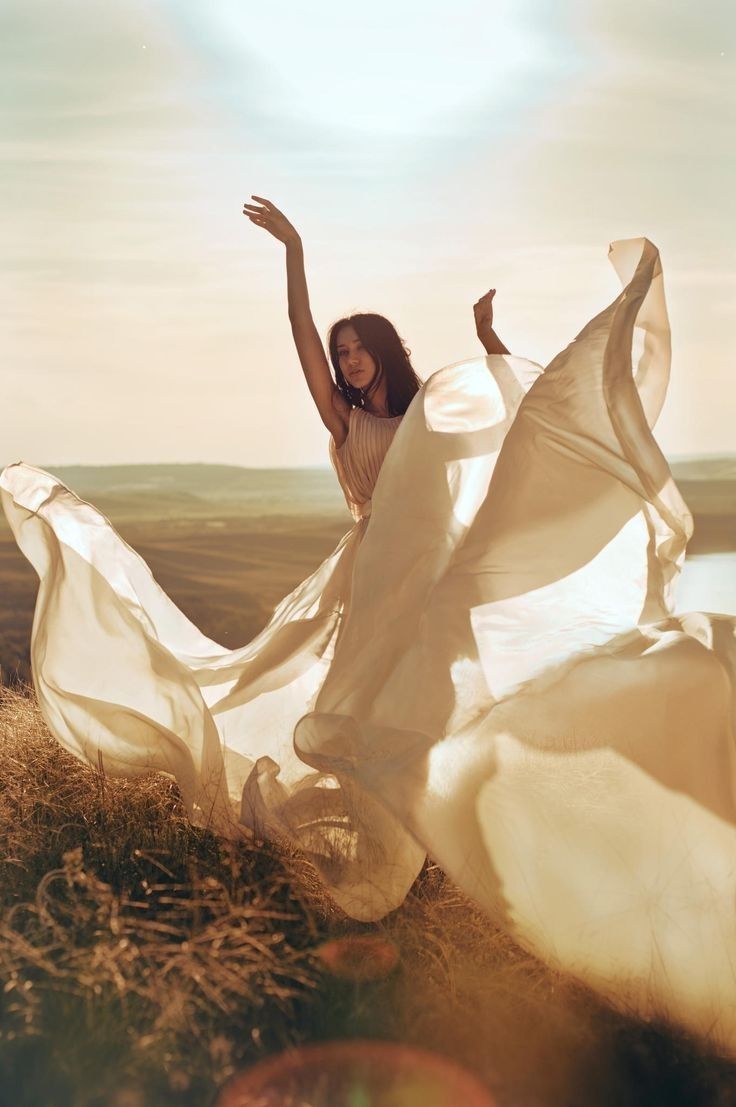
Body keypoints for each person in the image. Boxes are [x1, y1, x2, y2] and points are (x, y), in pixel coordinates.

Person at [2, 203, 735, 1053]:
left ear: (383, 351)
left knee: (441, 708)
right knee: (356, 713)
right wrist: (296, 253)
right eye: (341, 353)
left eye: (357, 350)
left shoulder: (431, 413)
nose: (346, 362)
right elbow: (297, 333)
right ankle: (399, 849)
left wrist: (493, 341)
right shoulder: (345, 423)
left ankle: (479, 836)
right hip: (364, 584)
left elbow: (518, 426)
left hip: (425, 585)